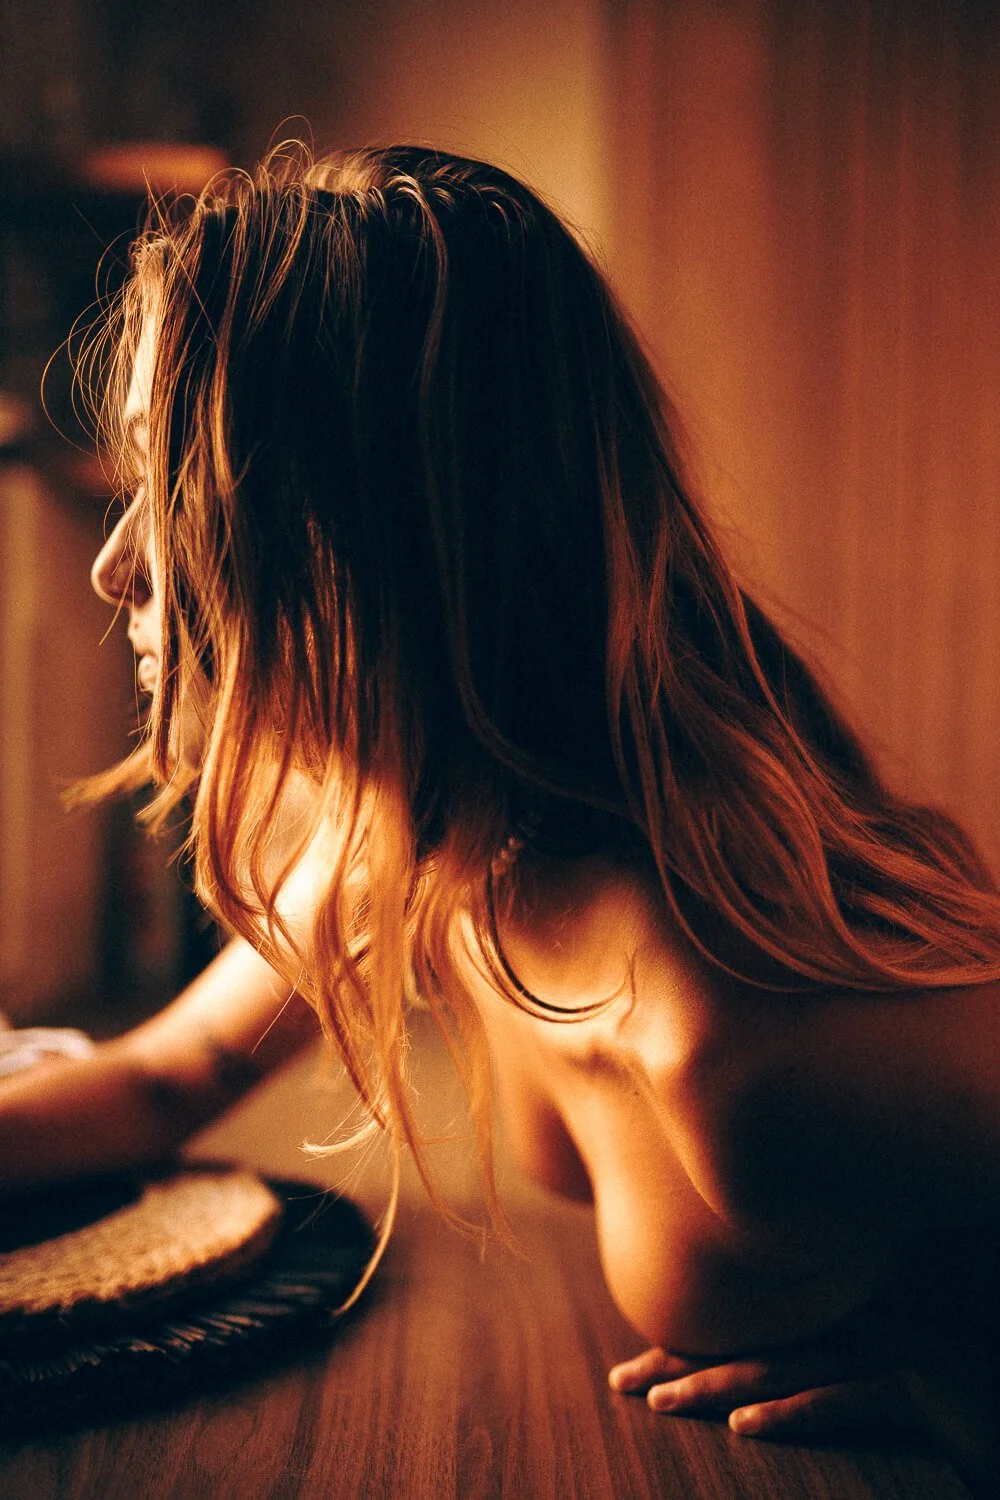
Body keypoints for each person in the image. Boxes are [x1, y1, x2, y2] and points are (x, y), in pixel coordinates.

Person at [2, 144, 997, 1486]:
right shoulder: (424, 845)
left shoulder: (740, 1044)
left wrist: (966, 1407)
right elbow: (170, 1075)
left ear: (362, 535)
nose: (119, 568)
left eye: (175, 501)